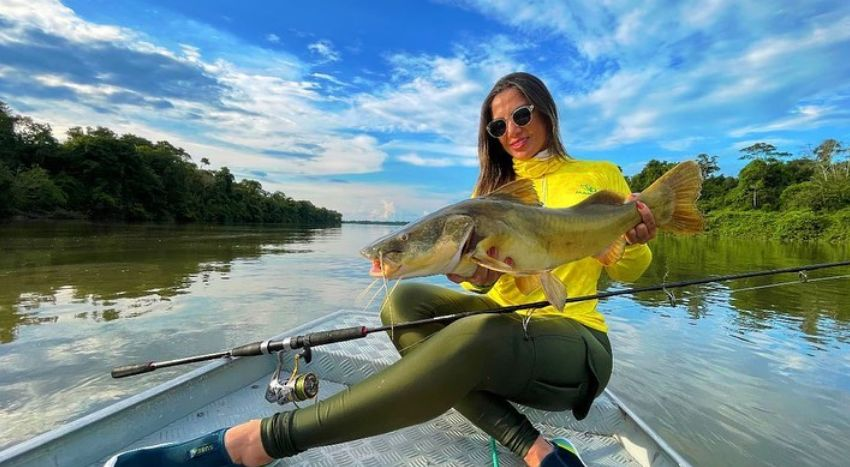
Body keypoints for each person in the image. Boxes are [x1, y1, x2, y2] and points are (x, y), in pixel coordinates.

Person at [107, 72, 656, 467]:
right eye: (496, 126)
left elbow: (631, 269)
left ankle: (259, 442)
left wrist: (632, 236)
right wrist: (468, 272)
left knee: (479, 331)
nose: (510, 130)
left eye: (520, 115)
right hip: (508, 330)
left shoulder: (597, 173)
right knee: (403, 306)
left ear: (545, 111)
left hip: (576, 342)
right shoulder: (488, 196)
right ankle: (533, 448)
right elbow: (487, 281)